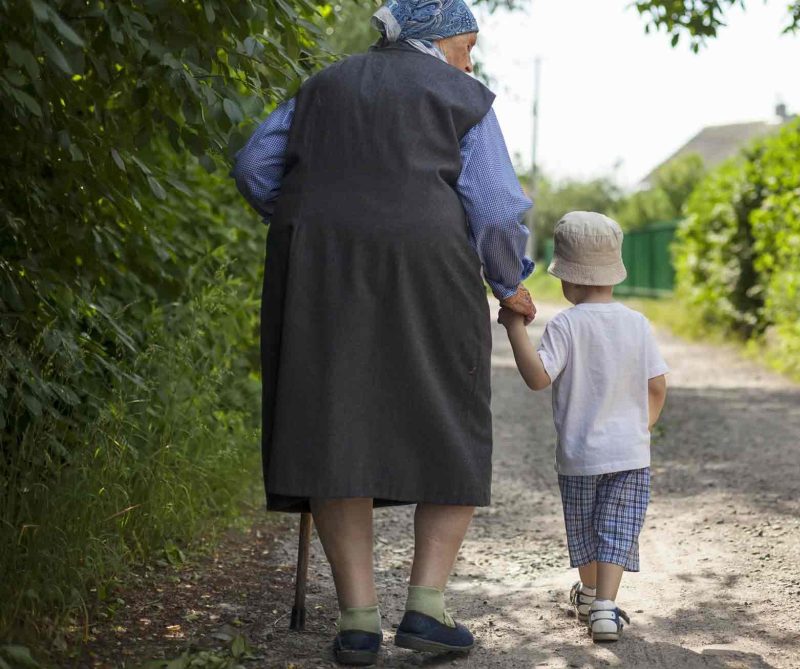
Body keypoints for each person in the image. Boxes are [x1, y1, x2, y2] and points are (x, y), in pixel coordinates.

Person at [231, 0, 537, 664]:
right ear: (436, 40)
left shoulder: (323, 87)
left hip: (321, 268)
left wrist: (313, 220)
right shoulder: (463, 97)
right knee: (448, 415)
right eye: (468, 44)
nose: (472, 58)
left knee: (332, 416)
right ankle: (426, 609)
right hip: (432, 266)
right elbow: (496, 208)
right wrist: (509, 279)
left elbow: (255, 166)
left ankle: (359, 621)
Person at [496, 211, 669, 643]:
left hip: (578, 455)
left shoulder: (566, 324)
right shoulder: (637, 323)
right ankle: (605, 608)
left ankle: (591, 595)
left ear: (568, 279)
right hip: (629, 452)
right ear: (614, 273)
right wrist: (639, 428)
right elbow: (658, 387)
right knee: (616, 528)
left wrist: (515, 327)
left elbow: (538, 378)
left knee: (586, 529)